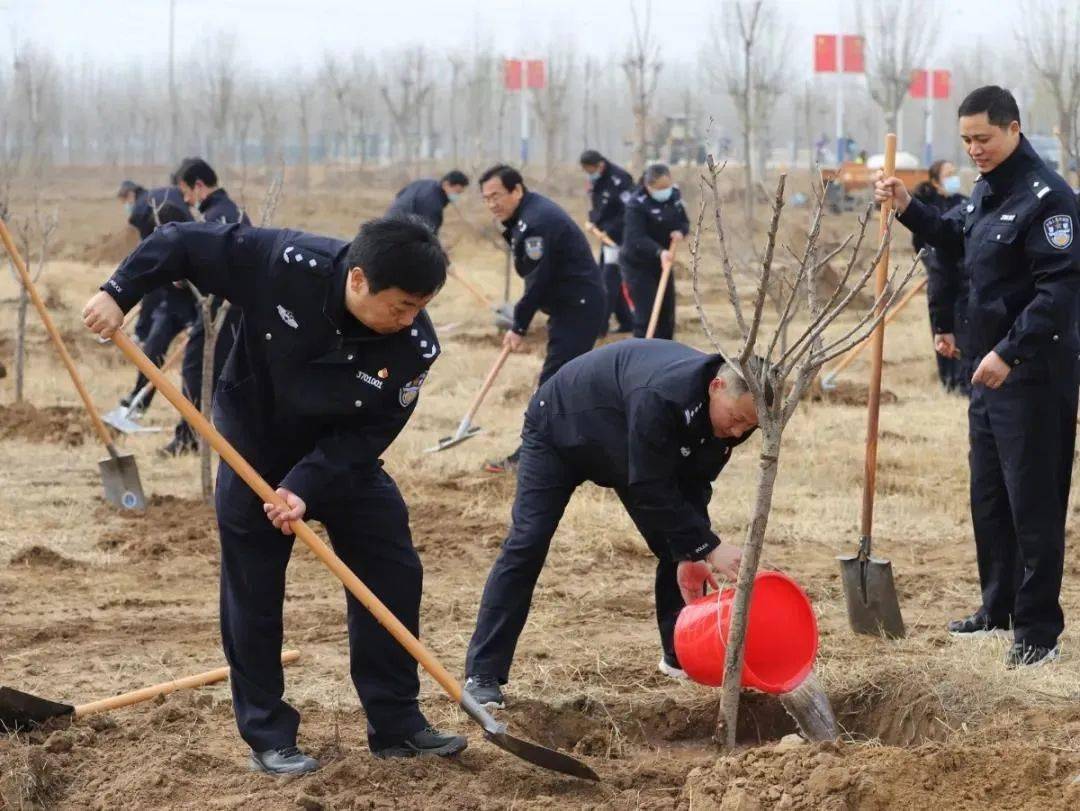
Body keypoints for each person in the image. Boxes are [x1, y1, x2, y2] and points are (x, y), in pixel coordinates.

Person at [81, 216, 466, 773]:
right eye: (401, 306)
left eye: (418, 307)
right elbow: (183, 242)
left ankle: (397, 724)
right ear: (358, 280)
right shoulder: (284, 263)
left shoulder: (414, 346)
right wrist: (120, 293)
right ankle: (269, 735)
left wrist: (303, 488)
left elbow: (367, 434)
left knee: (393, 570)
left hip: (338, 462)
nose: (409, 319)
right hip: (254, 447)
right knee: (254, 590)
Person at [875, 85, 1080, 668]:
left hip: (1033, 374)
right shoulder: (987, 192)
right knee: (989, 497)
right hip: (987, 376)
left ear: (1013, 129)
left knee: (1033, 502)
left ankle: (1037, 630)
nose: (974, 150)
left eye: (983, 139)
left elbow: (1060, 290)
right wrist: (909, 207)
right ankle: (1000, 608)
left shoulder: (1050, 199)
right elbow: (954, 238)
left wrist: (1009, 352)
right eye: (966, 141)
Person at [463, 339, 756, 708]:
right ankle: (483, 673)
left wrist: (692, 550)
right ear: (717, 387)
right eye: (737, 419)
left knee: (680, 540)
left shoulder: (734, 414)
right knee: (527, 543)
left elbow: (694, 484)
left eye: (750, 425)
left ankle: (679, 654)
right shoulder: (662, 395)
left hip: (626, 439)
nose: (738, 432)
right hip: (561, 427)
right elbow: (649, 484)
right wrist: (707, 546)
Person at [478, 164, 606, 474]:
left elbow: (537, 280)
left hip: (578, 308)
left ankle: (529, 455)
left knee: (552, 386)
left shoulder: (537, 223)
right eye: (486, 199)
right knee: (565, 383)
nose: (492, 204)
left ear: (517, 190)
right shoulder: (525, 218)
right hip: (570, 306)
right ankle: (581, 447)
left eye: (497, 196)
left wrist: (519, 325)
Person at [162, 157, 252, 457]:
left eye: (186, 192)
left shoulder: (216, 218)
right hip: (235, 308)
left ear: (199, 186)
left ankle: (187, 439)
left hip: (220, 309)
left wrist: (183, 275)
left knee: (196, 369)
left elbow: (214, 266)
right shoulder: (234, 211)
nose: (186, 199)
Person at [115, 179, 196, 411]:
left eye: (125, 201)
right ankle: (138, 402)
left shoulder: (144, 208)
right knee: (153, 349)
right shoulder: (161, 200)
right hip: (172, 298)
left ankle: (194, 426)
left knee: (192, 364)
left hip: (193, 299)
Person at [911, 160, 971, 393]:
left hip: (964, 277)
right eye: (948, 174)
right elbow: (921, 241)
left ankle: (964, 379)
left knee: (963, 328)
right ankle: (949, 381)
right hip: (940, 275)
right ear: (936, 180)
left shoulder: (963, 202)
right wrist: (933, 267)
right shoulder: (929, 205)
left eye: (955, 173)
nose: (954, 177)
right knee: (943, 326)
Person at [619, 164, 690, 340]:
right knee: (647, 314)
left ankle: (666, 354)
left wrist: (681, 231)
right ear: (648, 186)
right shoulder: (636, 204)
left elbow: (683, 221)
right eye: (660, 189)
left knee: (667, 314)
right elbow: (636, 238)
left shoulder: (674, 195)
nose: (665, 191)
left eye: (667, 187)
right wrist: (659, 252)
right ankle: (642, 354)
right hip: (638, 264)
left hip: (663, 263)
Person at [580, 149, 634, 335]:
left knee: (608, 280)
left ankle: (600, 326)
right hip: (605, 237)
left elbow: (628, 211)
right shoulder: (596, 180)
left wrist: (609, 230)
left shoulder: (620, 179)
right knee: (609, 278)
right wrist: (593, 220)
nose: (589, 174)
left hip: (619, 238)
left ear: (600, 164)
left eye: (591, 170)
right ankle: (627, 321)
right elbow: (598, 206)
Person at [386, 170, 470, 235]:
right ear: (446, 184)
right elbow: (429, 233)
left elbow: (399, 194)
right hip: (400, 231)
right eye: (456, 192)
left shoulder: (425, 183)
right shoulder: (432, 203)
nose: (457, 196)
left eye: (460, 193)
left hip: (388, 223)